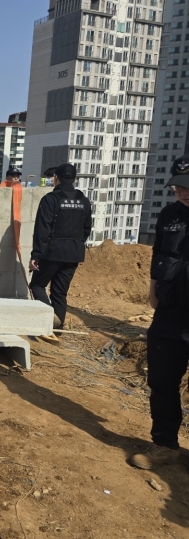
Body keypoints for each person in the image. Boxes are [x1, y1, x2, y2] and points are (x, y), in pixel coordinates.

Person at [129, 155, 189, 470]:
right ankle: (164, 444)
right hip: (169, 314)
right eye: (178, 187)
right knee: (162, 381)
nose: (182, 192)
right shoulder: (169, 215)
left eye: (187, 187)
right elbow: (159, 255)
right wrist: (153, 293)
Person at [29, 163, 92, 337]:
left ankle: (50, 319)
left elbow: (42, 230)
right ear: (74, 179)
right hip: (74, 252)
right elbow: (87, 228)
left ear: (56, 178)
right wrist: (75, 244)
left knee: (37, 285)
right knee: (59, 293)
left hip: (52, 251)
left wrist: (36, 255)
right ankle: (57, 331)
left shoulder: (50, 199)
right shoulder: (84, 200)